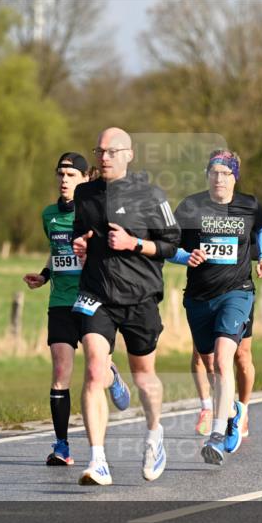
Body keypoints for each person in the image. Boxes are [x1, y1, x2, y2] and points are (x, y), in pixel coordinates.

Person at [71, 127, 180, 486]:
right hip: (97, 294)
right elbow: (84, 231)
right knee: (92, 371)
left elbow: (169, 245)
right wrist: (83, 244)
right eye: (99, 151)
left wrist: (134, 243)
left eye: (111, 152)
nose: (103, 158)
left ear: (128, 155)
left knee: (144, 377)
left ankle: (154, 435)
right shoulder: (85, 193)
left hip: (140, 296)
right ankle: (98, 460)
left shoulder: (150, 195)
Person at [23, 153, 130, 467]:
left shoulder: (96, 213)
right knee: (60, 373)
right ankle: (62, 446)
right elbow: (56, 251)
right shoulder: (49, 215)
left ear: (85, 179)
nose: (64, 180)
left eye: (71, 175)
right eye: (60, 174)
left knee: (96, 370)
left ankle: (111, 374)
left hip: (92, 299)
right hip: (60, 302)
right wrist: (44, 275)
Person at [171, 150, 262, 466]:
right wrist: (184, 257)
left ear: (234, 178)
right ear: (207, 176)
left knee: (223, 360)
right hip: (198, 297)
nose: (219, 179)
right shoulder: (190, 207)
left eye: (225, 173)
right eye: (214, 172)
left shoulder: (249, 205)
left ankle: (215, 436)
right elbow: (166, 245)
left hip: (237, 293)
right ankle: (232, 413)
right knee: (209, 361)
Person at [183, 221, 262, 438]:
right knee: (203, 355)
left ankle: (242, 409)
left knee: (241, 356)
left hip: (237, 294)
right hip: (203, 293)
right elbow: (176, 245)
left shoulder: (242, 213)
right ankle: (208, 407)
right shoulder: (197, 211)